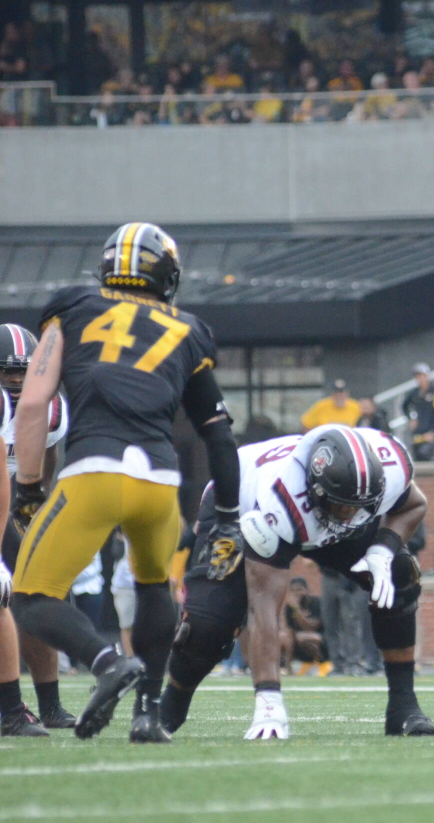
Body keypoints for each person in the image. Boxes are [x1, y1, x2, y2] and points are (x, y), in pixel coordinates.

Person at [9, 222, 245, 742]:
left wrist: (27, 490)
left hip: (94, 471)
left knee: (30, 597)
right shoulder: (187, 328)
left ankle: (107, 661)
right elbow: (220, 437)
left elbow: (31, 405)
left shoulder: (72, 307)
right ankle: (147, 714)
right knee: (153, 587)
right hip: (159, 482)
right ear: (167, 276)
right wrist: (228, 518)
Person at [159, 425, 434, 739]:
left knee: (399, 572)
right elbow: (263, 606)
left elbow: (415, 504)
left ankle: (403, 706)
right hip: (238, 507)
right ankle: (171, 706)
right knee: (210, 623)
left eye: (360, 505)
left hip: (314, 519)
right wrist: (269, 698)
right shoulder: (283, 496)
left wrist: (383, 549)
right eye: (342, 507)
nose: (351, 515)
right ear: (315, 488)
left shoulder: (387, 466)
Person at [0, 323, 75, 732]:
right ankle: (11, 708)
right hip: (3, 499)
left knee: (36, 595)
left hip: (9, 500)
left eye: (21, 372)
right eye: (5, 372)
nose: (14, 380)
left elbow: (44, 466)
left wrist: (34, 510)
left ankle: (49, 704)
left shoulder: (50, 409)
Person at [402, 364, 434, 462]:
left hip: (433, 435)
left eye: (422, 375)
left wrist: (433, 432)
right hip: (419, 434)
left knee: (427, 455)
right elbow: (405, 406)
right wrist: (411, 418)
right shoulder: (414, 393)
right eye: (417, 376)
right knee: (415, 457)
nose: (420, 379)